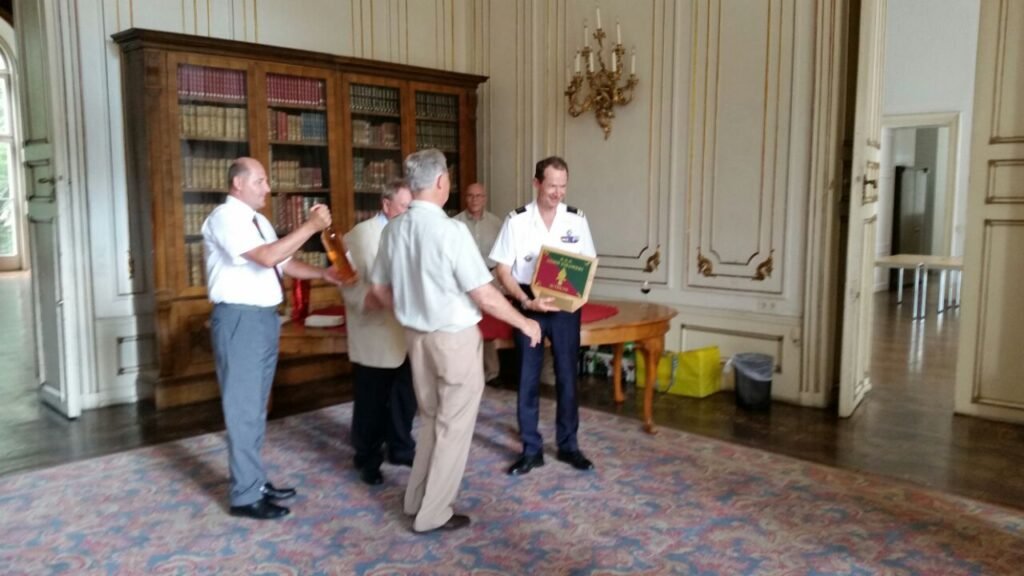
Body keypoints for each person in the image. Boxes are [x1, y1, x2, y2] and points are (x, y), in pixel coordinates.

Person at [370, 148, 542, 534]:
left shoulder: (393, 229)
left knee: (432, 420)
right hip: (453, 340)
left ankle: (416, 500)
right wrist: (525, 322)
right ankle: (433, 513)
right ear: (440, 182)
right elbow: (483, 294)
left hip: (416, 339)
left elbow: (379, 290)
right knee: (452, 428)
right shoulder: (451, 231)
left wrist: (411, 312)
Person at [202, 157, 343, 520]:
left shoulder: (259, 221)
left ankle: (254, 480)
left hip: (265, 319)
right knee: (243, 409)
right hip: (240, 320)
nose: (268, 188)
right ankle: (244, 496)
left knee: (256, 407)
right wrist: (310, 226)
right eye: (260, 181)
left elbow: (283, 262)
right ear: (238, 184)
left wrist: (323, 275)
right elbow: (266, 257)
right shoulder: (224, 217)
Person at [489, 156, 597, 476]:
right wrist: (526, 301)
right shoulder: (516, 221)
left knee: (567, 377)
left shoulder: (576, 219)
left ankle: (569, 445)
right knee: (527, 378)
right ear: (536, 183)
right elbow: (502, 270)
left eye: (563, 187)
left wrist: (579, 294)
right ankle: (531, 450)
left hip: (565, 306)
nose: (558, 193)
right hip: (528, 303)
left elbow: (588, 263)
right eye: (552, 186)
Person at [340, 179, 417, 486]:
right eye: (404, 207)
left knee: (405, 396)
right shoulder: (359, 236)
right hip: (375, 332)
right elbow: (348, 285)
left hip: (408, 331)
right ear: (386, 205)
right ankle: (367, 457)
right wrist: (374, 299)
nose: (409, 213)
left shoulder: (410, 233)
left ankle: (400, 447)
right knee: (371, 402)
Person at [452, 182, 504, 382]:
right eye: (470, 195)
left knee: (489, 325)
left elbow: (503, 255)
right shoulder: (454, 224)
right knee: (467, 324)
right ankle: (467, 370)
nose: (474, 200)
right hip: (464, 281)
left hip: (491, 279)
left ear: (485, 198)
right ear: (465, 198)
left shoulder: (496, 224)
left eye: (478, 196)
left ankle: (491, 371)